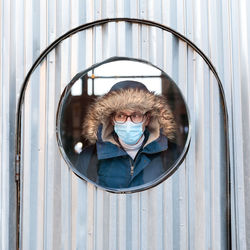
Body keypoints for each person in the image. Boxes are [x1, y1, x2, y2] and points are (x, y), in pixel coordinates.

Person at [75, 80, 181, 189]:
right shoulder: (89, 157)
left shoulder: (172, 154)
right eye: (121, 115)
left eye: (136, 115)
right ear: (112, 119)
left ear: (147, 119)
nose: (128, 122)